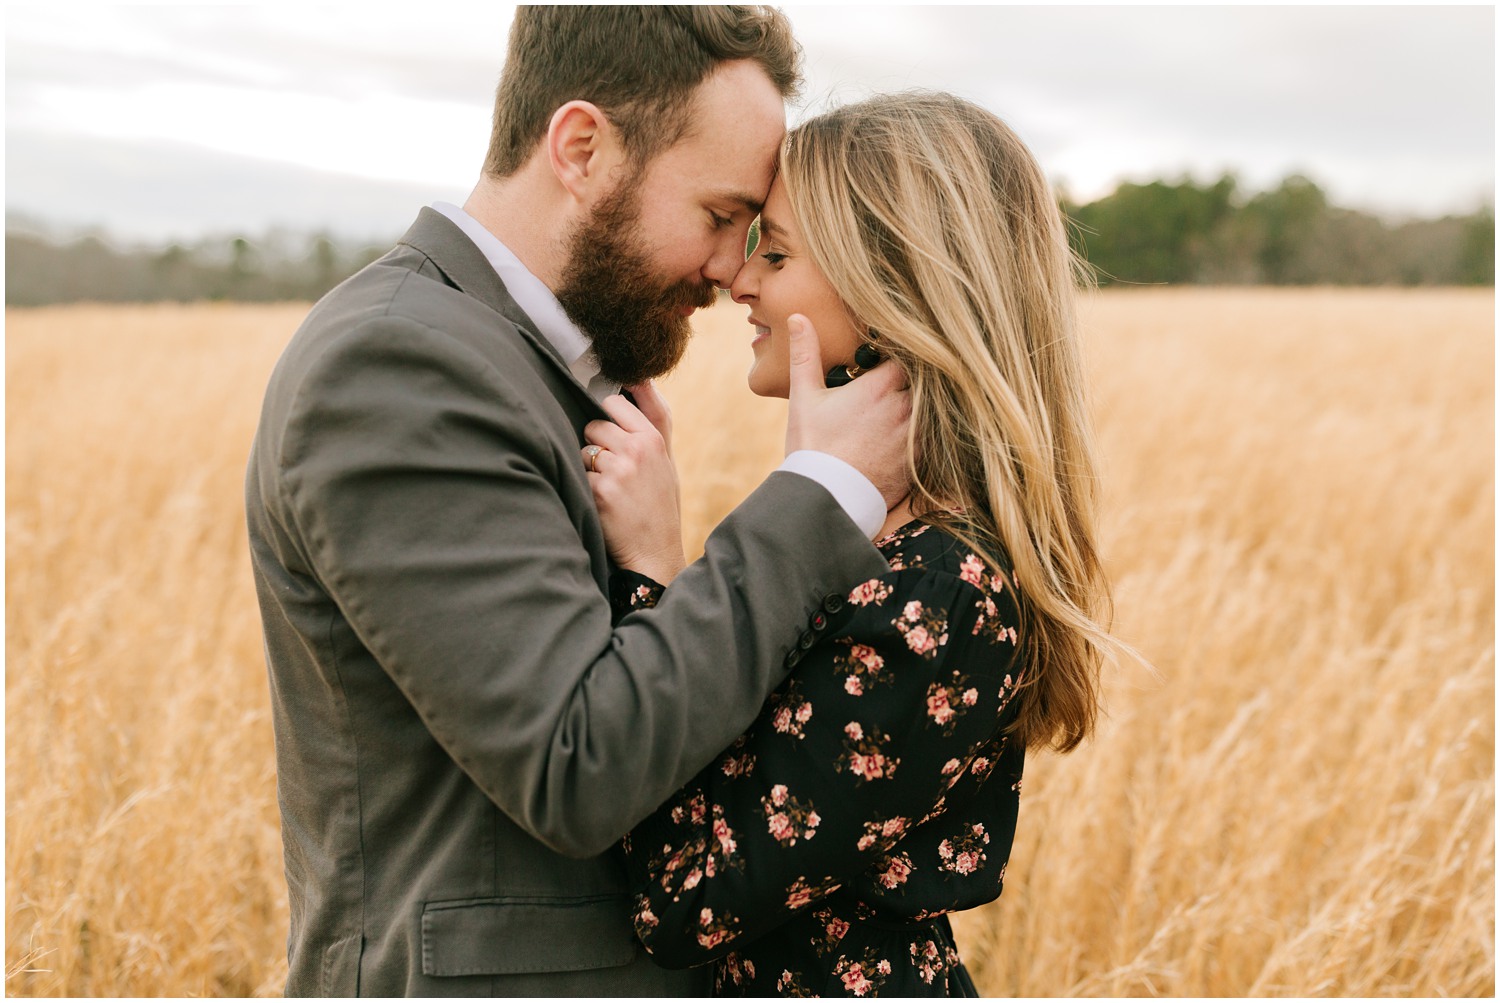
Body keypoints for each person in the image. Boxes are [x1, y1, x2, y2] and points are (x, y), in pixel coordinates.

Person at [244, 8, 913, 997]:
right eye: (721, 216)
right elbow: (578, 763)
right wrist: (820, 495)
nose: (732, 268)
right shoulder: (398, 365)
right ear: (582, 148)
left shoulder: (538, 366)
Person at [585, 92, 1118, 996]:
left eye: (777, 253)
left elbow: (683, 894)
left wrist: (648, 576)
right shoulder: (881, 542)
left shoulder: (939, 592)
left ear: (892, 290)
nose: (740, 282)